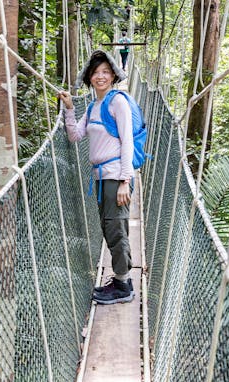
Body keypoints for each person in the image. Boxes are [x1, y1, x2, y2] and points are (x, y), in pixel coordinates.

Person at [58, 50, 134, 305]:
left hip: (115, 177)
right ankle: (121, 279)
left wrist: (125, 181)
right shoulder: (93, 106)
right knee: (108, 228)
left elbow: (127, 142)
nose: (100, 76)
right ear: (89, 78)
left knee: (117, 229)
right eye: (95, 72)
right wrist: (69, 109)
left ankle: (123, 286)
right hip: (101, 179)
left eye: (105, 72)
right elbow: (75, 136)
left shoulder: (118, 102)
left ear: (113, 75)